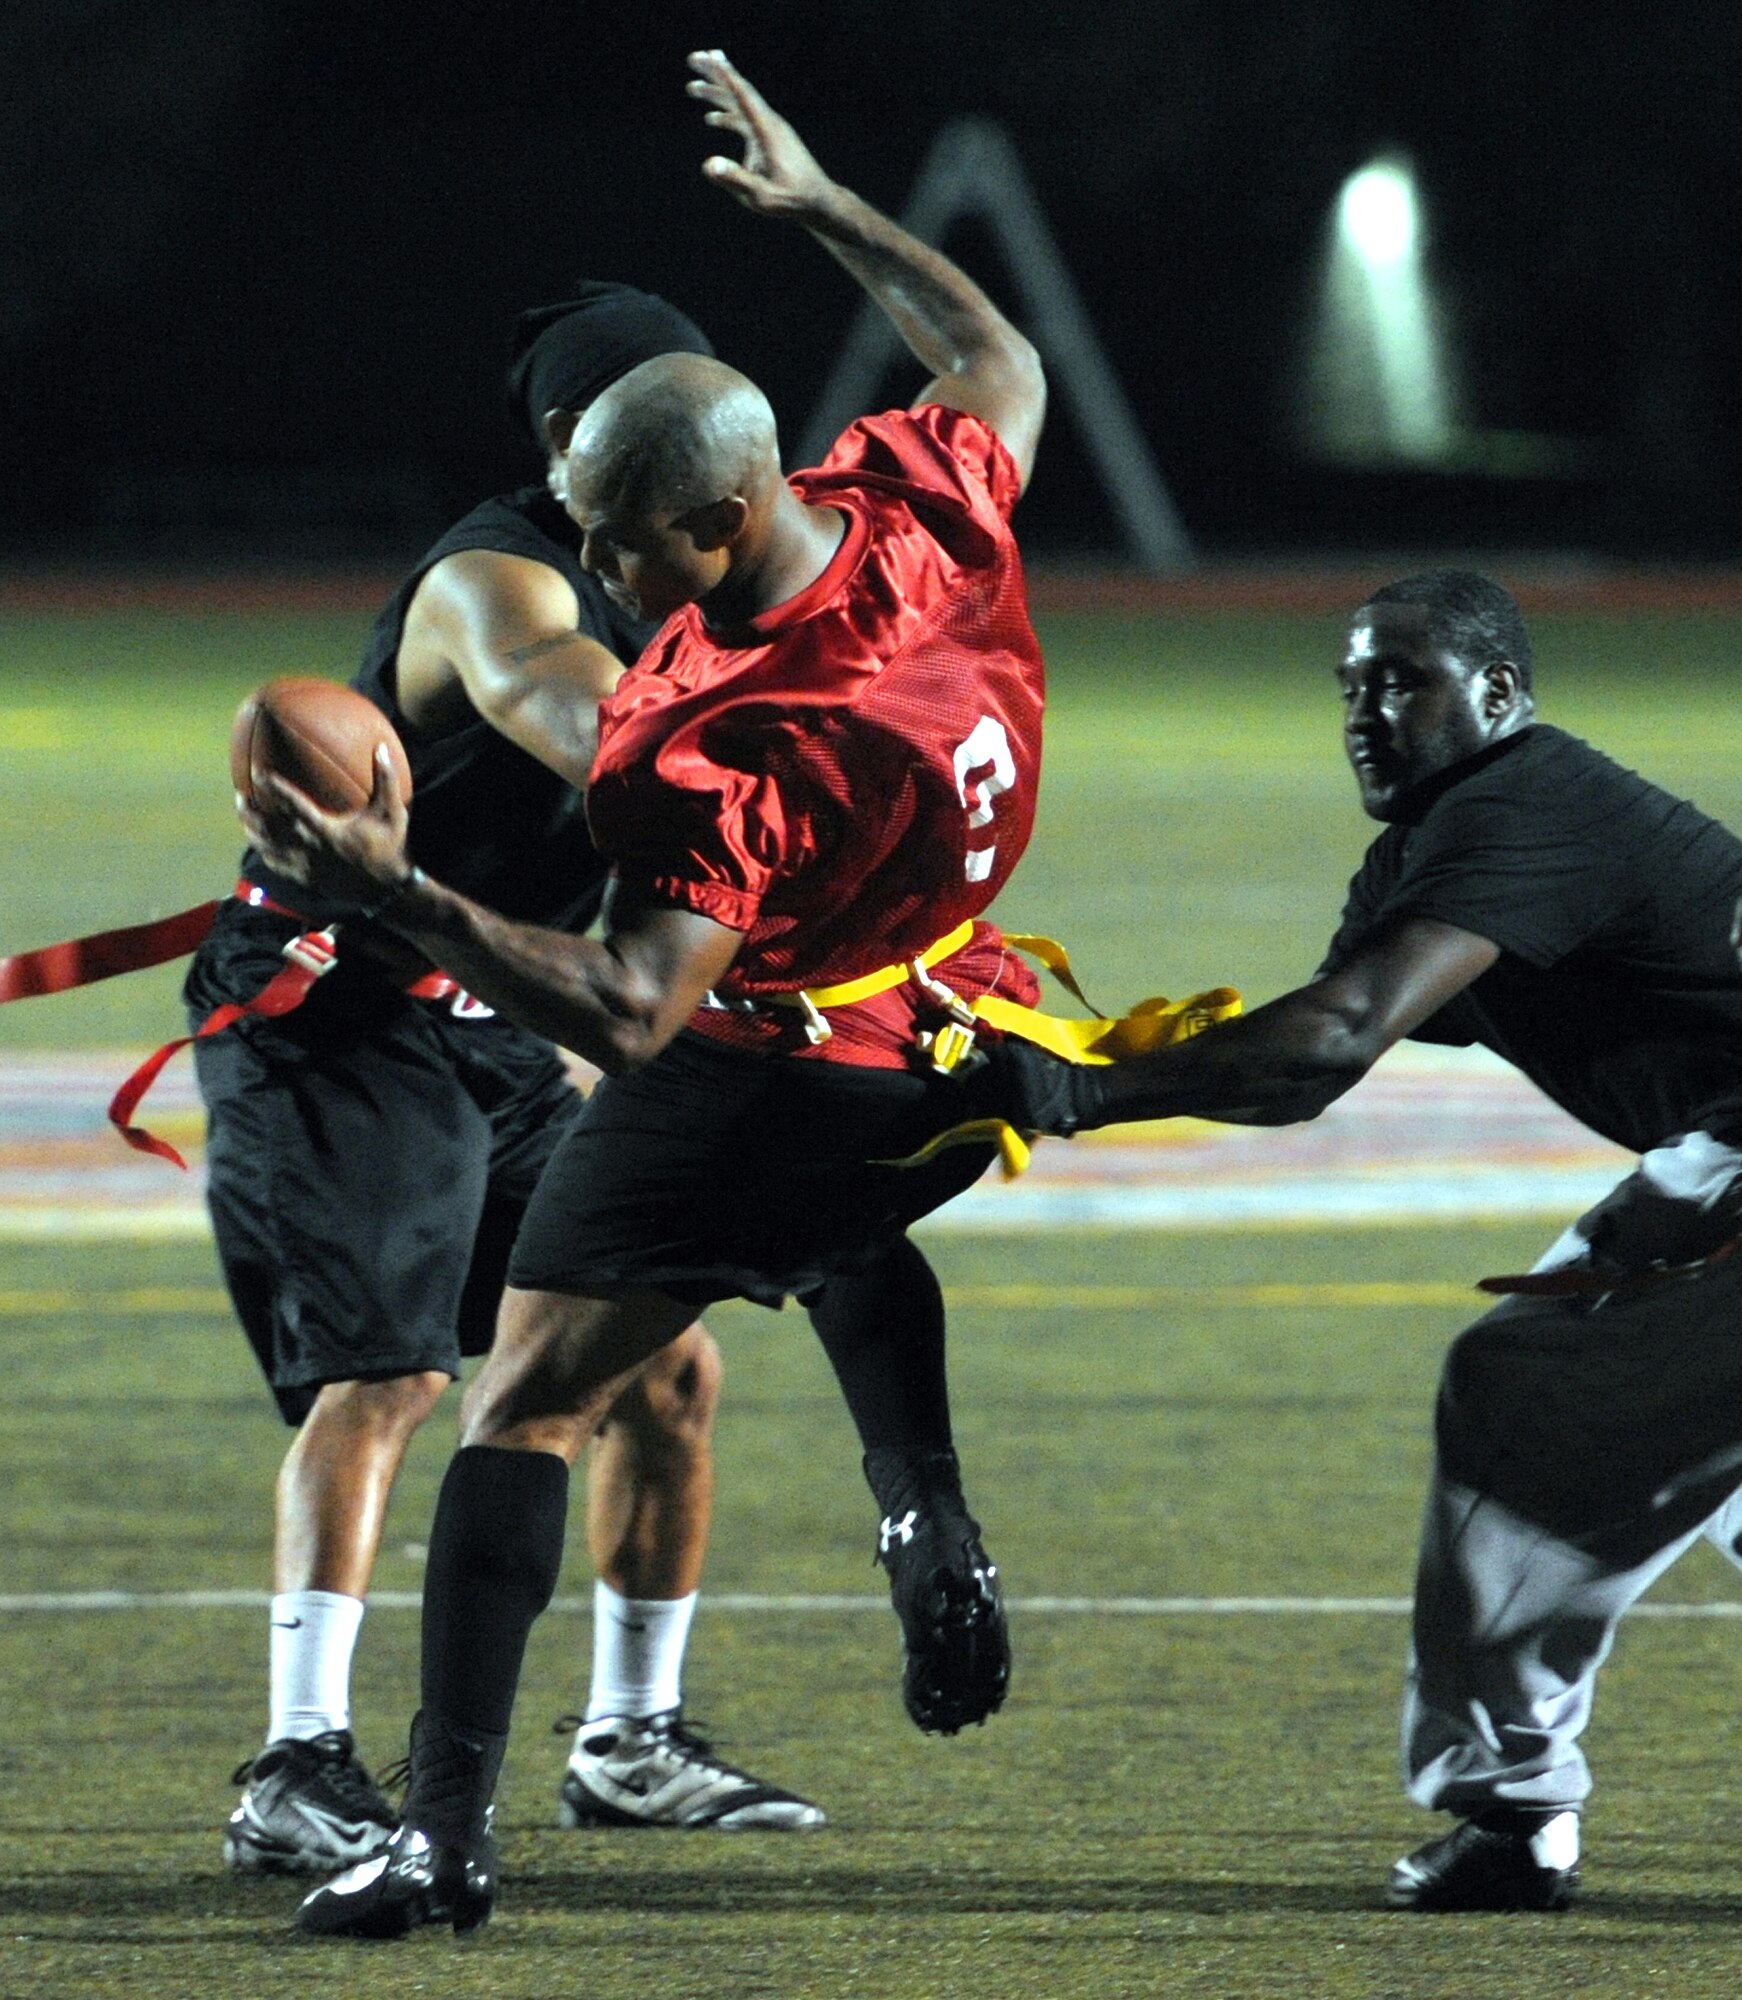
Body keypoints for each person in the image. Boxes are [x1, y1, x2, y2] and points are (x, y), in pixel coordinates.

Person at [250, 47, 1050, 1938]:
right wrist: (826, 206)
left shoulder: (714, 732)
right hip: (950, 1010)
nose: (596, 571)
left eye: (614, 542)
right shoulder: (923, 502)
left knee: (515, 1405)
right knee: (826, 1242)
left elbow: (625, 1004)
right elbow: (996, 364)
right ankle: (917, 1494)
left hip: (748, 1033)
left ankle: (439, 1835)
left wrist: (395, 882)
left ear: (700, 522)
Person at [983, 565, 1742, 1911]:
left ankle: (1510, 1816)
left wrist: (1077, 1091)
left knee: (1527, 1389)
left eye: (1401, 681)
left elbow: (1329, 1039)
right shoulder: (1443, 839)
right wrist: (1107, 1050)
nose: (1365, 711)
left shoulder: (1518, 806)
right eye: (1351, 684)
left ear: (1497, 694)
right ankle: (1512, 1815)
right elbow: (1310, 1056)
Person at [190, 278, 823, 1877]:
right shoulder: (497, 579)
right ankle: (297, 1760)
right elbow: (579, 715)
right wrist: (794, 770)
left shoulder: (687, 568)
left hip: (491, 1018)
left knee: (660, 1366)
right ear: (573, 443)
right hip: (340, 1011)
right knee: (391, 1373)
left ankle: (626, 1739)